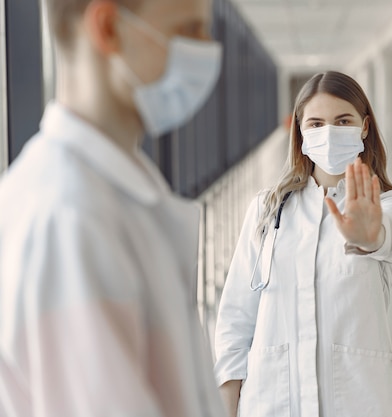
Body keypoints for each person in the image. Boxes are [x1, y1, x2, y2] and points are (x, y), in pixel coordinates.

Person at [0, 0, 226, 416]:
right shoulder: (67, 219)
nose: (208, 51)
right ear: (107, 28)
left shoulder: (117, 190)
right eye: (189, 30)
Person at [214, 71, 392, 417]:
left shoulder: (391, 205)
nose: (329, 133)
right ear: (300, 132)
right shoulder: (268, 210)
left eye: (342, 121)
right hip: (272, 404)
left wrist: (371, 237)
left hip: (358, 403)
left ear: (364, 126)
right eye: (316, 124)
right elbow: (235, 320)